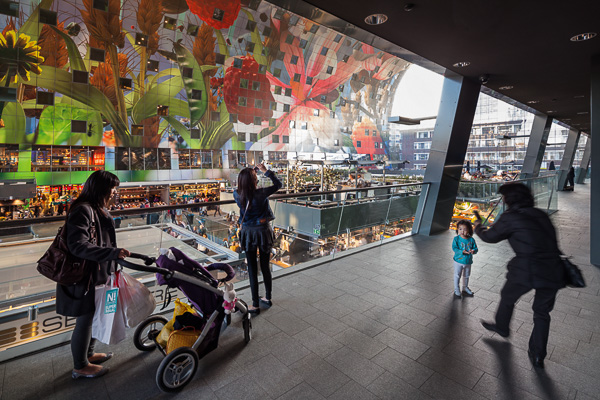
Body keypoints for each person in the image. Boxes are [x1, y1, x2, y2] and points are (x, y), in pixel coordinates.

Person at [475, 183, 565, 369]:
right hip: (554, 269)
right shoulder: (540, 214)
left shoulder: (510, 217)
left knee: (508, 297)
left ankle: (501, 327)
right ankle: (538, 354)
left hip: (527, 269)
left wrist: (478, 227)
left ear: (510, 199)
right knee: (542, 312)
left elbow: (490, 237)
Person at [55, 171, 131, 379]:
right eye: (113, 189)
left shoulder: (95, 208)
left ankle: (88, 355)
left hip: (96, 273)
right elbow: (78, 246)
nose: (115, 193)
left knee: (92, 315)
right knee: (85, 319)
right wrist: (112, 253)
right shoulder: (83, 210)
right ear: (103, 189)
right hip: (83, 277)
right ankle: (80, 365)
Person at [234, 163, 282, 314]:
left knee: (252, 270)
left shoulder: (236, 194)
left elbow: (245, 186)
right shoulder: (261, 193)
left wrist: (250, 173)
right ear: (255, 180)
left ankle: (254, 305)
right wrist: (265, 170)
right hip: (262, 231)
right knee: (265, 266)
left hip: (248, 233)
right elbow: (278, 184)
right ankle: (267, 298)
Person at [452, 220, 478, 299]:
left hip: (468, 261)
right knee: (457, 275)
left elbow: (475, 248)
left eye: (465, 229)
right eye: (460, 229)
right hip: (458, 261)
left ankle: (465, 287)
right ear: (457, 229)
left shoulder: (471, 240)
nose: (462, 231)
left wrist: (473, 251)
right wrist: (461, 251)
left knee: (466, 275)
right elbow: (454, 248)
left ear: (469, 230)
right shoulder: (456, 239)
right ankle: (457, 289)